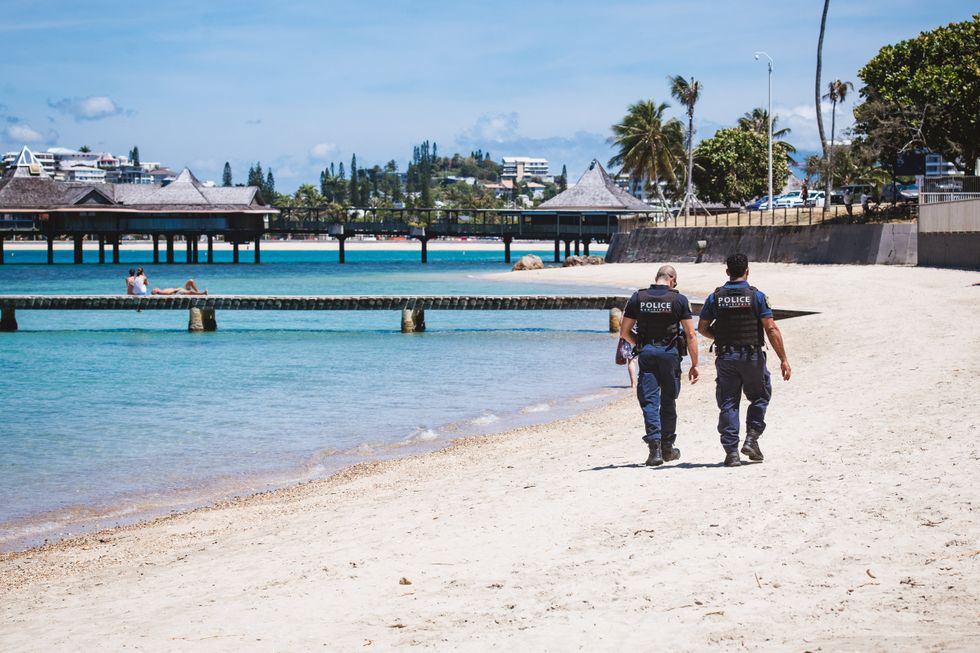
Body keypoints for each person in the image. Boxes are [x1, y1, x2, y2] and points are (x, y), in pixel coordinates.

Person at [698, 254, 791, 467]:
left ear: (727, 272)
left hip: (726, 356)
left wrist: (721, 337)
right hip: (752, 356)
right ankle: (751, 438)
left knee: (729, 402)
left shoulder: (715, 297)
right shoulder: (756, 296)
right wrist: (783, 359)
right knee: (759, 397)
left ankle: (731, 453)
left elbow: (702, 328)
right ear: (747, 271)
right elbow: (771, 328)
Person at [620, 265, 699, 466]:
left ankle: (654, 450)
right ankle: (667, 447)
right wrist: (695, 363)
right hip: (670, 355)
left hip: (647, 353)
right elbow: (690, 334)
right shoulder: (679, 299)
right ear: (671, 279)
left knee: (649, 401)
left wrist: (639, 344)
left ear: (657, 278)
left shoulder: (638, 297)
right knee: (668, 401)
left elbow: (624, 332)